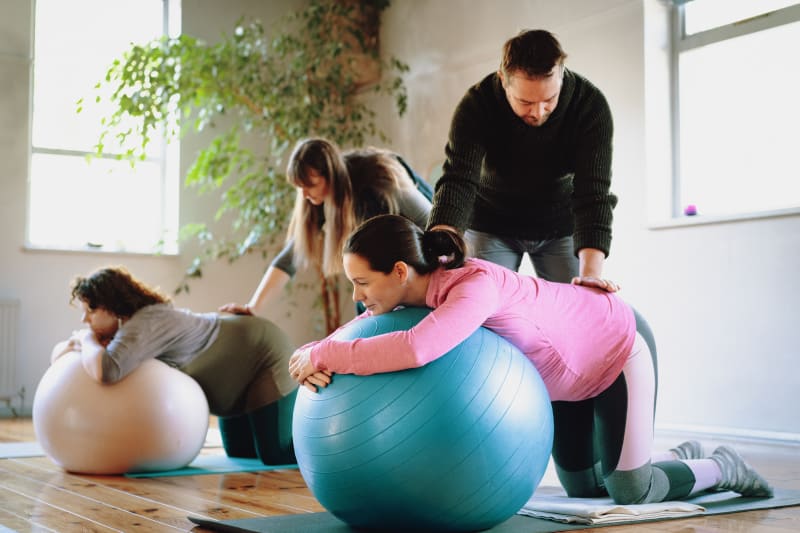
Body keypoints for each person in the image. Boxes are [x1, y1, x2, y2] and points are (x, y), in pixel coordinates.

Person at [288, 214, 773, 505]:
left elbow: (416, 349)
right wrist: (308, 352)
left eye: (362, 283)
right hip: (567, 382)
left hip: (618, 349)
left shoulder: (474, 287)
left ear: (398, 271)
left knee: (629, 490)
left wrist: (327, 352)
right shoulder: (414, 292)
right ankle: (677, 456)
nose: (356, 295)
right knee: (584, 488)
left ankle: (721, 467)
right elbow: (358, 330)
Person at [427, 29, 617, 290]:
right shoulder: (477, 105)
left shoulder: (590, 106)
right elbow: (459, 180)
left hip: (560, 223)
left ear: (562, 74)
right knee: (484, 305)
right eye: (525, 101)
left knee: (577, 307)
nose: (538, 112)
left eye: (549, 99)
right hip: (492, 222)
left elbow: (593, 193)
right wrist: (441, 245)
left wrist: (591, 277)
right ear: (503, 80)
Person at [51, 266, 298, 466]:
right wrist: (83, 342)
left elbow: (106, 370)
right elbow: (59, 357)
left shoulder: (147, 322)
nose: (85, 320)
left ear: (112, 305)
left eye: (90, 311)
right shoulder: (132, 328)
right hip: (235, 378)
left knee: (275, 455)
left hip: (263, 353)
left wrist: (85, 339)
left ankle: (325, 448)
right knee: (240, 453)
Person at [219, 137, 432, 317]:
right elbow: (290, 257)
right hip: (384, 273)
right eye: (299, 187)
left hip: (423, 256)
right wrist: (253, 307)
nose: (303, 194)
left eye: (309, 185)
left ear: (329, 175)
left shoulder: (378, 176)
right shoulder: (316, 200)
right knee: (364, 304)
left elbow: (429, 219)